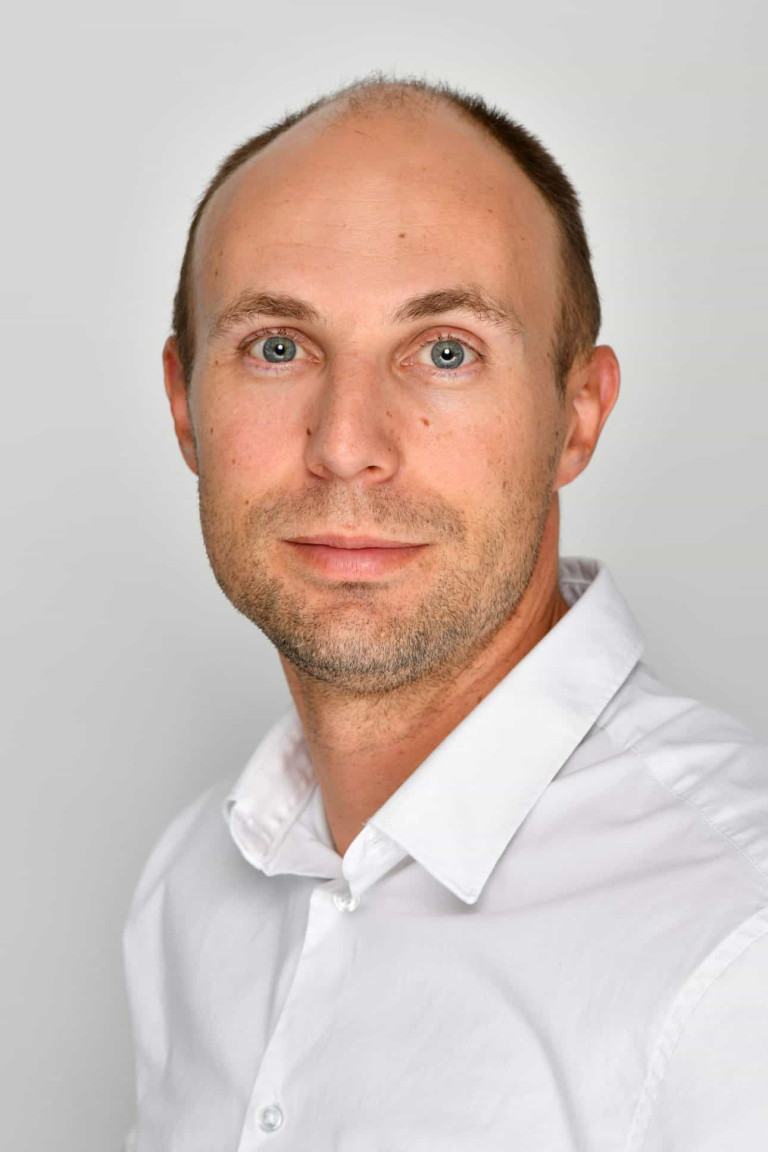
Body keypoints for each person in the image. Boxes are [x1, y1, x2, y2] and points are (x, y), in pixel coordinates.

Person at [122, 75, 768, 1151]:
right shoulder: (191, 887)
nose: (346, 446)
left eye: (446, 351)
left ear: (577, 416)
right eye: (277, 346)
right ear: (185, 407)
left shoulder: (738, 947)